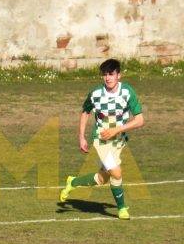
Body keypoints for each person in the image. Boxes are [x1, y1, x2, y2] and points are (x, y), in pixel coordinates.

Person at [59, 58, 145, 219]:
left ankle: (73, 182)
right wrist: (81, 137)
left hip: (119, 141)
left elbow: (140, 120)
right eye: (105, 74)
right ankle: (121, 209)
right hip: (101, 140)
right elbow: (85, 112)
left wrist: (118, 130)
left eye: (111, 74)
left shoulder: (127, 92)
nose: (108, 78)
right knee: (117, 173)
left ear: (119, 75)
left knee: (102, 178)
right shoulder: (96, 94)